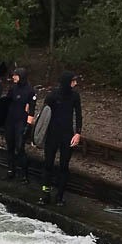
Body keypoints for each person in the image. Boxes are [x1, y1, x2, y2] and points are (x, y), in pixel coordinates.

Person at [39, 73, 83, 206]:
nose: (75, 84)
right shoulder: (52, 95)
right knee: (48, 164)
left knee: (64, 166)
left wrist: (77, 133)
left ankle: (60, 196)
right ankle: (45, 194)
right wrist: (39, 135)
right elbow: (44, 116)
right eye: (73, 81)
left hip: (67, 135)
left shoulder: (75, 96)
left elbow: (78, 115)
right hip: (52, 134)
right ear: (67, 82)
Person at [2, 67, 38, 182]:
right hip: (10, 120)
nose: (13, 77)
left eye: (15, 75)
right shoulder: (13, 88)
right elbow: (6, 102)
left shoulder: (30, 91)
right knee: (10, 147)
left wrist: (28, 125)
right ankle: (10, 170)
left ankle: (24, 175)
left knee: (20, 148)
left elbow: (31, 109)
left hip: (21, 122)